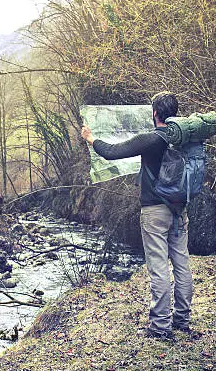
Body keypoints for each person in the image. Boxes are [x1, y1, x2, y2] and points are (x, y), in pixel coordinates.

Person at [80, 92, 193, 340]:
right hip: (179, 209)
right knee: (182, 263)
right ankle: (182, 320)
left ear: (154, 114)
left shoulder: (150, 140)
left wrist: (91, 138)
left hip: (154, 212)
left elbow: (111, 152)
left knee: (159, 267)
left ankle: (160, 326)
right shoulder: (183, 139)